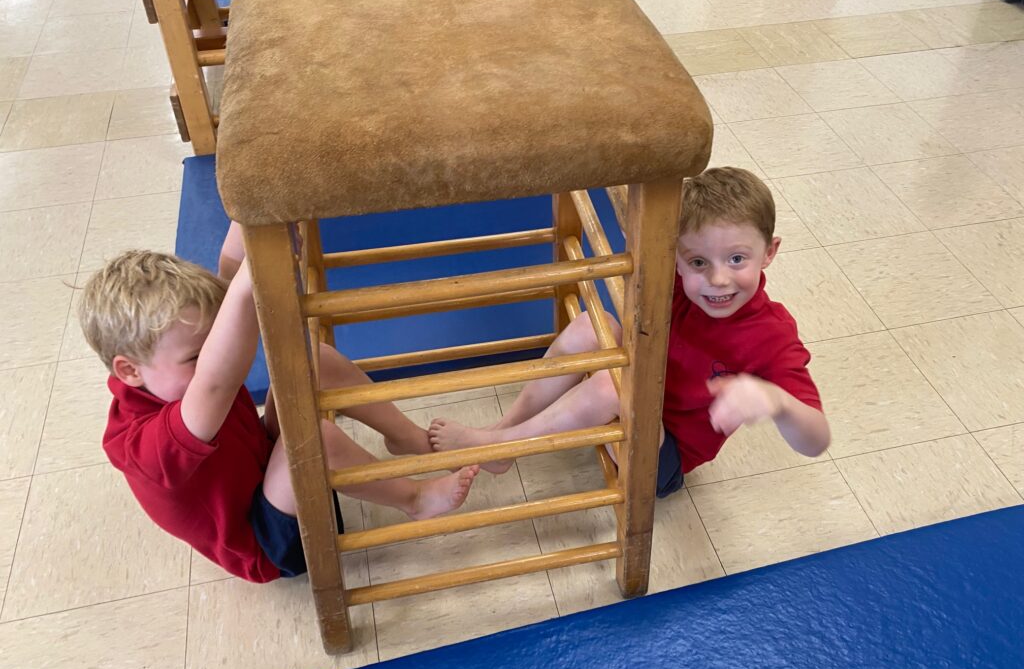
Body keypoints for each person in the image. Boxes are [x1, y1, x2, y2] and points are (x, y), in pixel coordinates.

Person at [78, 240, 479, 583]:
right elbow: (215, 381)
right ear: (129, 370)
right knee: (314, 438)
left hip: (259, 464)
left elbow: (231, 269)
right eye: (199, 356)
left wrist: (256, 213)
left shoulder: (165, 373)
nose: (214, 359)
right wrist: (261, 262)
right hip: (269, 544)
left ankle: (407, 439)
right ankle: (414, 499)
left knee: (312, 360)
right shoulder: (144, 445)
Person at [428, 167, 829, 498]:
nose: (718, 279)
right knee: (592, 323)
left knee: (611, 386)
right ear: (676, 255)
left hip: (662, 460)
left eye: (737, 259)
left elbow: (816, 440)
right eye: (698, 261)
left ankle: (503, 445)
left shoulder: (772, 335)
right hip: (639, 394)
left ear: (770, 252)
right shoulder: (679, 279)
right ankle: (503, 436)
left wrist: (775, 400)